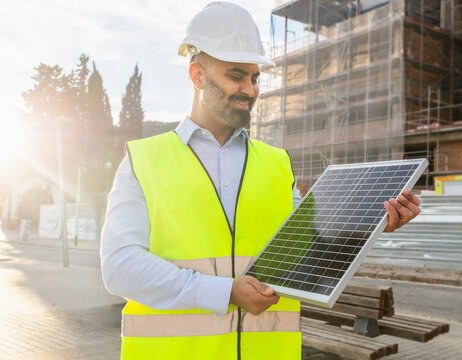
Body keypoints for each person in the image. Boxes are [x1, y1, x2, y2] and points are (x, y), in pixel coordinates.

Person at [100, 2, 421, 359]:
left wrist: (371, 224)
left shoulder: (277, 163)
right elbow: (120, 267)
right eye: (236, 75)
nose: (250, 90)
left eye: (254, 78)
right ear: (197, 76)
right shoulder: (144, 161)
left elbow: (309, 248)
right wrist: (226, 293)